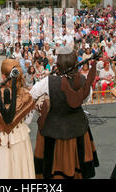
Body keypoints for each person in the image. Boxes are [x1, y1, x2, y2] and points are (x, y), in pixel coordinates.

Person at [30, 47, 99, 179]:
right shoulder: (83, 80)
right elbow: (86, 99)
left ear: (59, 63)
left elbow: (31, 95)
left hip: (53, 130)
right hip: (77, 129)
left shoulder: (47, 82)